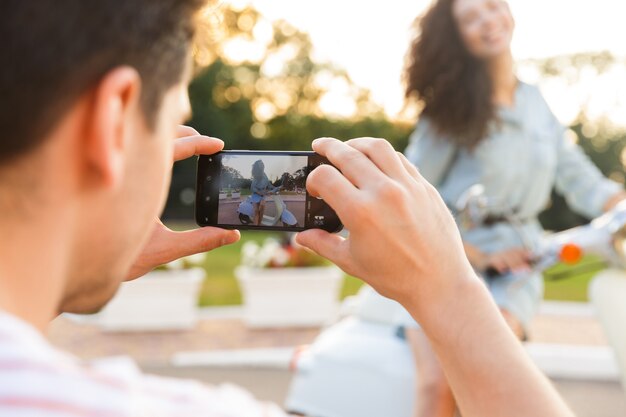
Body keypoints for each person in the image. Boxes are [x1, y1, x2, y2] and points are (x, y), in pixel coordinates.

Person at [0, 1, 577, 416]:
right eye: (165, 119)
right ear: (112, 124)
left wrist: (71, 263)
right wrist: (451, 290)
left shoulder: (535, 105)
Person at [400, 0, 626, 416]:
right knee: (437, 385)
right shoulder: (447, 111)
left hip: (521, 261)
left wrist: (620, 205)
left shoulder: (536, 102)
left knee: (492, 361)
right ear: (457, 37)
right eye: (470, 17)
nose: (487, 20)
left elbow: (581, 179)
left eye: (491, 6)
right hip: (447, 254)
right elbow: (410, 193)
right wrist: (480, 256)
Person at [250, 159, 276, 225]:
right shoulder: (256, 175)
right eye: (260, 163)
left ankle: (259, 225)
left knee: (261, 212)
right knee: (256, 212)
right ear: (258, 166)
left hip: (263, 196)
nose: (262, 164)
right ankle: (255, 228)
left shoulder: (264, 174)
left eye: (262, 163)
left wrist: (275, 188)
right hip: (256, 195)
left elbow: (268, 184)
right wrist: (259, 192)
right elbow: (252, 188)